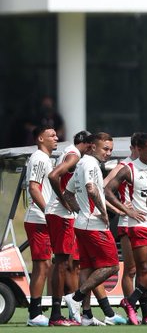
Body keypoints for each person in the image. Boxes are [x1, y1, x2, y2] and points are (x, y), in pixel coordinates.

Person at [61, 132, 129, 326]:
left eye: (110, 150)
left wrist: (81, 211)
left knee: (88, 268)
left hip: (82, 223)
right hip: (94, 225)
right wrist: (103, 212)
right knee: (112, 266)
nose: (108, 153)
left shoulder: (82, 163)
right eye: (105, 149)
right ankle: (75, 298)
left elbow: (67, 194)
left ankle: (87, 315)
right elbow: (91, 188)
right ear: (92, 147)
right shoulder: (90, 164)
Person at [104, 132, 147, 325]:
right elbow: (106, 189)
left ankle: (138, 306)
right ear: (137, 148)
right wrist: (123, 210)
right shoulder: (126, 167)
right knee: (133, 269)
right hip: (132, 225)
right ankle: (138, 312)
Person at [46, 130, 92, 325]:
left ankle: (62, 312)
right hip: (60, 214)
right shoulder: (74, 155)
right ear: (88, 145)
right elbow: (53, 175)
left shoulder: (69, 151)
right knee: (62, 263)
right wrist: (64, 199)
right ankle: (56, 315)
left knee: (65, 262)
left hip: (59, 214)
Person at [24, 126, 58, 326]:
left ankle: (37, 312)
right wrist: (48, 212)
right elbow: (33, 188)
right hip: (39, 219)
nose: (56, 138)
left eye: (55, 134)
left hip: (45, 219)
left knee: (47, 265)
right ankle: (34, 314)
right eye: (51, 135)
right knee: (42, 265)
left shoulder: (47, 159)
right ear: (40, 138)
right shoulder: (38, 158)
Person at [106, 135, 140, 306]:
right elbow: (102, 187)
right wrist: (119, 208)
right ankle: (131, 308)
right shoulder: (123, 166)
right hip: (128, 222)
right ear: (133, 148)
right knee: (131, 269)